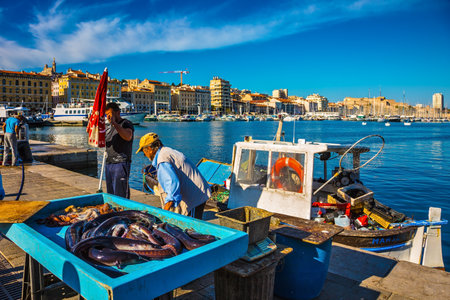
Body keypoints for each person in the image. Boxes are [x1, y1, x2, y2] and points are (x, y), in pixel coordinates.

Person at [136, 133, 211, 219]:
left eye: (143, 152)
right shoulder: (166, 151)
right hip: (195, 193)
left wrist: (165, 212)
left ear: (149, 149)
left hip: (195, 197)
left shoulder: (163, 159)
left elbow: (172, 185)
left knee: (191, 228)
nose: (144, 155)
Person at [105, 102, 134, 198]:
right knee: (111, 195)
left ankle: (124, 212)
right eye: (107, 115)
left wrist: (114, 123)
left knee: (121, 194)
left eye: (110, 114)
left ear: (117, 113)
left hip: (121, 163)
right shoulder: (108, 127)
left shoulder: (126, 123)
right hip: (109, 163)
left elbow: (128, 136)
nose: (108, 117)